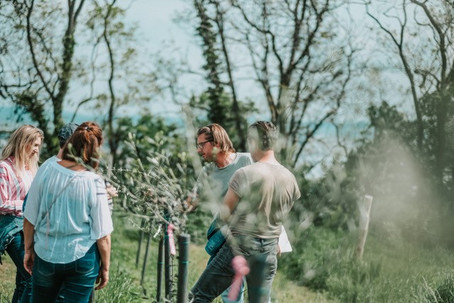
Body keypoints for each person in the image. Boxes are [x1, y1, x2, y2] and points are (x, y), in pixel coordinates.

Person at [191, 121, 301, 303]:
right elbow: (280, 217)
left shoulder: (244, 173)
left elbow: (225, 214)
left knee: (199, 296)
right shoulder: (290, 178)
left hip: (238, 247)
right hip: (269, 251)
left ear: (253, 141)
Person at [23, 122, 113, 302]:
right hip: (81, 257)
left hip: (45, 252)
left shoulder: (46, 169)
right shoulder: (94, 182)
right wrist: (105, 268)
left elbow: (29, 217)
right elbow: (103, 235)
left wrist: (28, 249)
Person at [190, 123, 253, 303]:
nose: (198, 149)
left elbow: (269, 197)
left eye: (202, 144)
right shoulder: (207, 172)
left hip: (256, 237)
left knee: (260, 294)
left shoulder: (246, 161)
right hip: (228, 241)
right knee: (231, 294)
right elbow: (191, 201)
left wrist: (279, 238)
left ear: (216, 142)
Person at [0, 124, 44, 303]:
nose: (36, 150)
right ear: (22, 143)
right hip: (11, 227)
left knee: (23, 281)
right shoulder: (4, 167)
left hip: (28, 226)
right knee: (32, 278)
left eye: (38, 146)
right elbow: (2, 203)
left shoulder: (31, 169)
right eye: (34, 145)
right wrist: (28, 205)